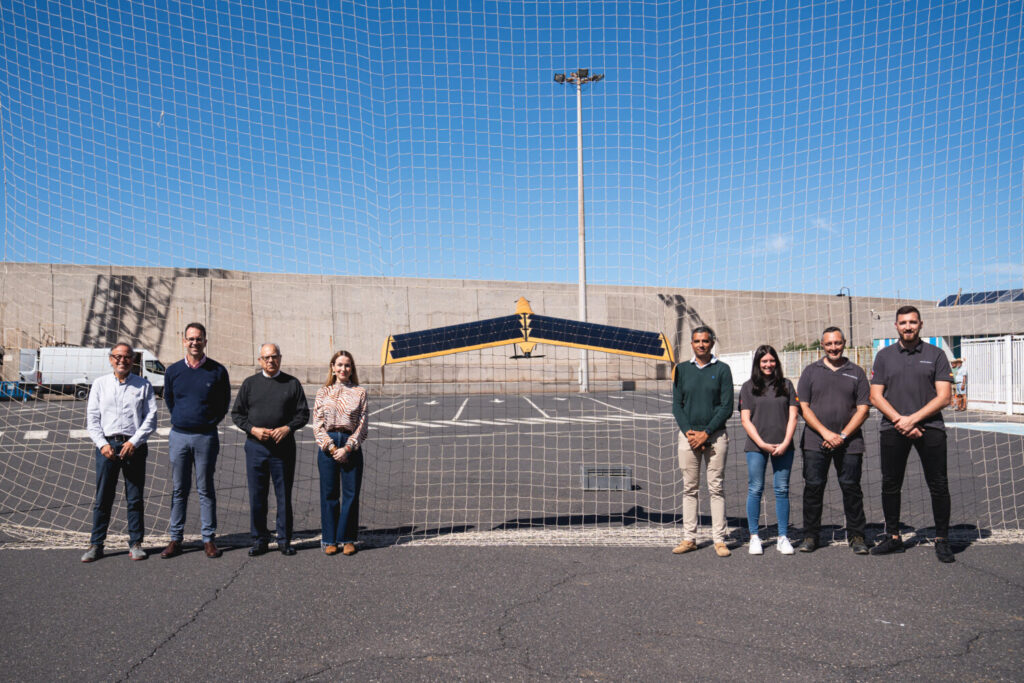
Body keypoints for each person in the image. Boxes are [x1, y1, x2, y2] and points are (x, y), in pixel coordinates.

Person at [869, 306, 956, 563]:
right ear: (896, 326)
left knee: (938, 484)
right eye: (903, 322)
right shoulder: (884, 356)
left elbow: (944, 397)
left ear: (921, 324)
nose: (908, 326)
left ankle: (942, 539)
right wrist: (900, 421)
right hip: (893, 428)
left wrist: (913, 420)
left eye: (913, 322)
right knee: (890, 483)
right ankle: (893, 536)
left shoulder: (936, 354)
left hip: (930, 429)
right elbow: (875, 396)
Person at [796, 327, 871, 555]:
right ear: (822, 345)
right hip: (815, 441)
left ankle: (857, 535)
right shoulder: (810, 371)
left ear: (844, 343)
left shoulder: (856, 372)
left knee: (851, 488)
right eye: (829, 344)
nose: (833, 348)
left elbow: (864, 409)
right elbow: (803, 407)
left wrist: (843, 435)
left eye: (837, 343)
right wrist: (826, 433)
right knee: (813, 488)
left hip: (849, 442)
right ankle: (810, 535)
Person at [80, 343, 158, 562]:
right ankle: (96, 545)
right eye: (117, 356)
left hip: (134, 447)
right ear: (110, 359)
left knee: (134, 498)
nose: (122, 360)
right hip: (107, 447)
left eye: (126, 357)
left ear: (133, 360)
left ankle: (136, 543)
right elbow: (92, 418)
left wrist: (134, 442)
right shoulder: (100, 384)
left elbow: (151, 418)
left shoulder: (143, 385)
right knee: (103, 497)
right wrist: (102, 444)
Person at [231, 343, 310, 557]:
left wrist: (287, 428)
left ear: (280, 358)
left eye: (274, 357)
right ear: (260, 361)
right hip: (256, 448)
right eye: (266, 357)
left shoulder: (292, 383)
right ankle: (259, 539)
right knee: (258, 496)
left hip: (283, 450)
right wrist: (252, 429)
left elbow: (303, 414)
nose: (270, 361)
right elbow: (237, 414)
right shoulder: (250, 384)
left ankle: (284, 540)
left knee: (283, 495)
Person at [160, 323, 231, 559]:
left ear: (205, 342)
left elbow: (223, 403)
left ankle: (208, 539)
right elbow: (170, 399)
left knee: (205, 488)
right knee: (179, 489)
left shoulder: (217, 371)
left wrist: (207, 422)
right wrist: (183, 419)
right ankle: (175, 538)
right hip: (179, 435)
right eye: (190, 339)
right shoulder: (173, 371)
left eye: (198, 339)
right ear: (184, 341)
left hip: (206, 437)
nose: (194, 343)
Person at [671, 326, 735, 557]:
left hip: (715, 437)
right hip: (688, 437)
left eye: (705, 341)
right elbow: (676, 405)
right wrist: (689, 432)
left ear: (712, 343)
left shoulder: (723, 370)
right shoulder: (681, 370)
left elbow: (726, 406)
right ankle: (689, 538)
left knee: (715, 487)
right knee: (690, 488)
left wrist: (706, 433)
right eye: (697, 341)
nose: (701, 345)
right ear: (691, 344)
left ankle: (719, 539)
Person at [739, 345, 799, 556]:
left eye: (771, 360)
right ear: (757, 363)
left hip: (784, 446)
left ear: (776, 362)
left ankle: (783, 536)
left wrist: (785, 442)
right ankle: (754, 536)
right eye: (764, 361)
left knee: (781, 489)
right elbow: (745, 420)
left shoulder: (786, 385)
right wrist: (762, 443)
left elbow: (793, 416)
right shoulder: (748, 387)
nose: (768, 364)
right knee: (755, 489)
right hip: (757, 446)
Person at [313, 350, 368, 556]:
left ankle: (348, 538)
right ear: (332, 368)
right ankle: (330, 539)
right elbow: (317, 426)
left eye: (347, 365)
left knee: (351, 494)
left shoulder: (360, 392)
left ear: (351, 369)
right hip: (328, 445)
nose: (343, 369)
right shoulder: (323, 392)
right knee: (329, 494)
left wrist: (347, 447)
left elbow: (362, 426)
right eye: (339, 365)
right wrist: (332, 448)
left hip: (350, 444)